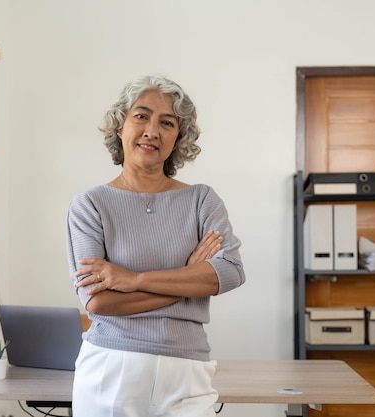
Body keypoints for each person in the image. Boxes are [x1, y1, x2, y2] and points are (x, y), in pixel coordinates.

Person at [65, 75, 245, 417]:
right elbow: (99, 301)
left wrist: (134, 280)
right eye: (141, 116)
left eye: (167, 122)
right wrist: (188, 277)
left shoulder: (201, 200)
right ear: (120, 126)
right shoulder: (90, 204)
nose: (152, 130)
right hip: (111, 367)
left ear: (178, 137)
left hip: (188, 371)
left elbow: (230, 272)